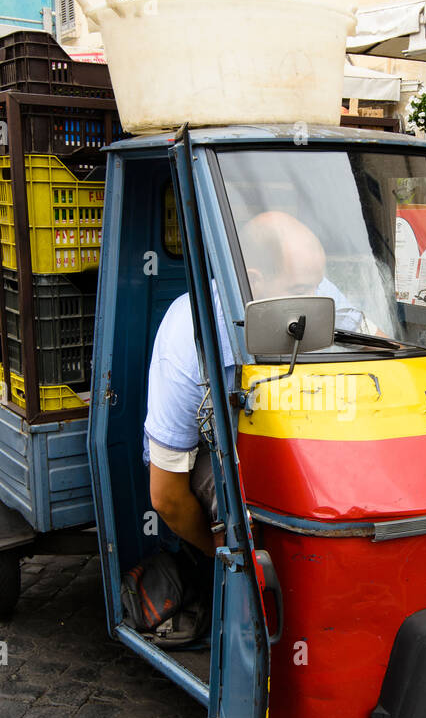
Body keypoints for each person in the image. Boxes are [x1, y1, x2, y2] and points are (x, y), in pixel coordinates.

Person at [144, 210, 364, 556]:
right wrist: (231, 565)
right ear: (253, 280)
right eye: (303, 289)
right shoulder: (188, 339)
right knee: (241, 504)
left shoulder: (309, 286)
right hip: (220, 450)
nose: (316, 298)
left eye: (317, 285)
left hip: (302, 431)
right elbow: (167, 496)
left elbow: (369, 335)